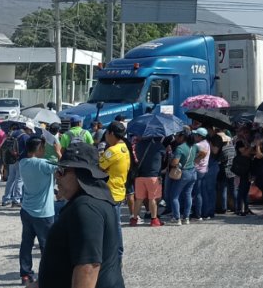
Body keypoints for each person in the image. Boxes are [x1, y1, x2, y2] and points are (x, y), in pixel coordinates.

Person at [33, 142, 124, 288]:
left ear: (81, 173)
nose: (57, 175)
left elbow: (88, 267)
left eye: (62, 170)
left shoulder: (86, 207)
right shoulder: (91, 202)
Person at [18, 137, 58, 285]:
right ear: (39, 148)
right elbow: (63, 167)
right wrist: (58, 151)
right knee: (46, 245)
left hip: (26, 209)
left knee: (26, 243)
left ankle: (25, 274)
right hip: (43, 212)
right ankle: (48, 274)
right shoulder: (44, 164)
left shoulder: (22, 163)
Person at [99, 121, 130, 257]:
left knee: (112, 225)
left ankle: (116, 254)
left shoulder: (112, 151)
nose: (105, 136)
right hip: (119, 189)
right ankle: (116, 253)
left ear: (111, 133)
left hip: (110, 191)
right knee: (115, 224)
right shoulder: (124, 148)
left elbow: (99, 167)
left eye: (106, 133)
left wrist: (100, 153)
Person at [129, 135, 165, 227]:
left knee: (139, 199)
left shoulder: (139, 145)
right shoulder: (159, 146)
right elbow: (164, 158)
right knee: (152, 198)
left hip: (140, 176)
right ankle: (154, 220)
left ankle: (134, 219)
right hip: (153, 176)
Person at [166, 128, 198, 225]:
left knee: (174, 196)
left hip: (183, 174)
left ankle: (176, 218)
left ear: (182, 136)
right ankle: (186, 217)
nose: (175, 137)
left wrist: (171, 157)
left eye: (177, 136)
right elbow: (203, 153)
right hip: (193, 172)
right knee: (188, 195)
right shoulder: (194, 146)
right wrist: (194, 161)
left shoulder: (180, 148)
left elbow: (175, 162)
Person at [191, 127, 211, 221]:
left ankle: (197, 214)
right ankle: (205, 212)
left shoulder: (198, 145)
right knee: (204, 192)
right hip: (204, 169)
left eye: (196, 135)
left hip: (198, 170)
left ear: (200, 136)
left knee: (197, 193)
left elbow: (196, 157)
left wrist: (194, 160)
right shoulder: (207, 143)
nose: (194, 136)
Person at [231, 139, 253, 216]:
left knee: (244, 193)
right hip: (241, 177)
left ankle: (243, 209)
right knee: (241, 193)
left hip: (244, 177)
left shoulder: (242, 157)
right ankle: (241, 209)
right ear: (239, 148)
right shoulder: (242, 157)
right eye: (243, 147)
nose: (244, 148)